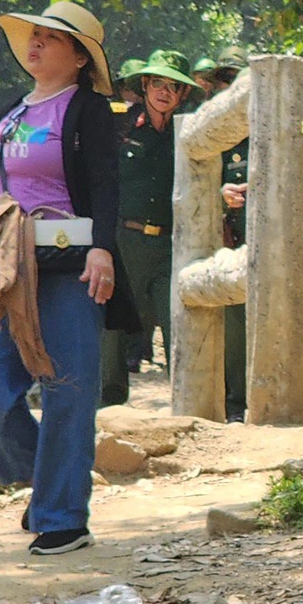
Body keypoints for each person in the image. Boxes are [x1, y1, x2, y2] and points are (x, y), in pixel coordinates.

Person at [0, 0, 142, 555]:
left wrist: (103, 250)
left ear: (80, 56)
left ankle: (64, 517)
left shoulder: (87, 110)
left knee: (68, 389)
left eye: (50, 39)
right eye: (32, 37)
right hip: (8, 271)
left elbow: (107, 186)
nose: (34, 45)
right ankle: (49, 478)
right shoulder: (10, 111)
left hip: (70, 266)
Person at [217, 97, 303, 421]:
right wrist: (222, 197)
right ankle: (236, 405)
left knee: (287, 322)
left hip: (285, 251)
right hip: (237, 252)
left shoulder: (294, 140)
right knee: (237, 329)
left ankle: (283, 399)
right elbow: (204, 190)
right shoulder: (222, 141)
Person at [100, 48, 193, 406]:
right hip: (124, 239)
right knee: (113, 327)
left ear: (183, 94)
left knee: (177, 321)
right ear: (144, 85)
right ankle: (109, 404)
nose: (164, 92)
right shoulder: (118, 124)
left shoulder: (190, 133)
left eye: (174, 86)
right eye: (158, 84)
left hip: (170, 244)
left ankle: (187, 402)